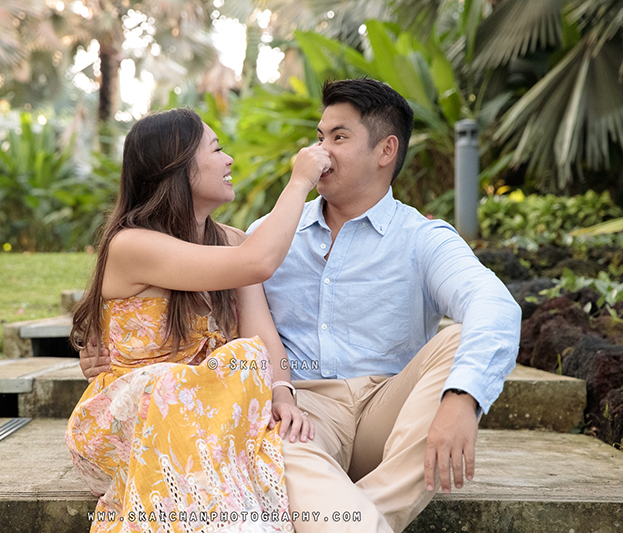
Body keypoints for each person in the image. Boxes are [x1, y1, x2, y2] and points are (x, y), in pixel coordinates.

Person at [81, 79, 522, 533]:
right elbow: (243, 305)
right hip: (302, 412)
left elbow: (495, 305)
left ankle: (351, 512)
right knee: (271, 433)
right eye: (319, 137)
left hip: (387, 409)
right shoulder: (266, 237)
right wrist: (282, 392)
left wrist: (463, 397)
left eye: (339, 137)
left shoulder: (423, 238)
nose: (321, 150)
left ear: (386, 150)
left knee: (461, 340)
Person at [66, 107, 329, 533]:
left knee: (244, 356)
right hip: (125, 425)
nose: (228, 160)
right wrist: (300, 182)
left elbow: (262, 337)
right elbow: (258, 262)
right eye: (217, 149)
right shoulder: (132, 245)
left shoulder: (230, 242)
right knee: (165, 385)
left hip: (208, 423)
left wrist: (283, 395)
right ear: (178, 167)